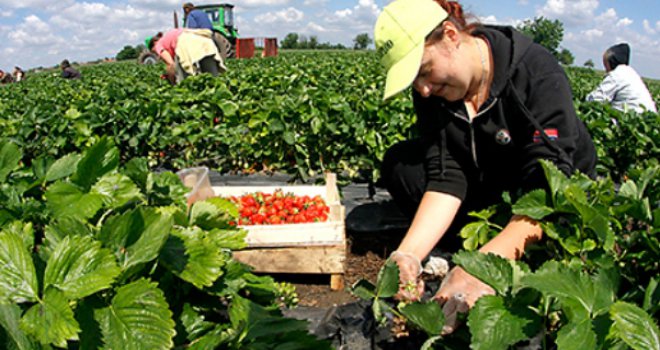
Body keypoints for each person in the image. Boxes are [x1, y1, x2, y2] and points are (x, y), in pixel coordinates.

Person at [373, 0, 597, 334]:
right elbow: (446, 173)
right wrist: (408, 254)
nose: (422, 89)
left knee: (552, 216)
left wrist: (482, 267)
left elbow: (546, 190)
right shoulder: (432, 94)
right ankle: (482, 245)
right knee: (401, 165)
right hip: (491, 184)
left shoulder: (534, 72)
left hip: (546, 196)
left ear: (450, 35)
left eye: (423, 71)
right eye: (414, 82)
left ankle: (492, 250)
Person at [586, 43, 657, 113]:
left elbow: (595, 99)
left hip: (634, 120)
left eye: (605, 64)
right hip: (648, 117)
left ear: (611, 61)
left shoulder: (616, 75)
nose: (606, 70)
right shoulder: (629, 72)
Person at [148, 28, 226, 85]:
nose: (158, 55)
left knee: (185, 84)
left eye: (154, 52)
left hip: (186, 43)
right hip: (204, 41)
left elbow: (170, 64)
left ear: (154, 43)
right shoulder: (169, 36)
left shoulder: (158, 45)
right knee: (213, 80)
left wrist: (172, 82)